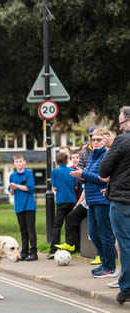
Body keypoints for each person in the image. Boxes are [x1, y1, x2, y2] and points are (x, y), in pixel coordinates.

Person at [71, 128, 117, 278]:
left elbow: (103, 178)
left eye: (99, 139)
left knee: (105, 234)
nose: (95, 142)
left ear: (105, 140)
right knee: (93, 233)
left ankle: (110, 267)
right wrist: (81, 176)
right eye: (93, 139)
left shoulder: (107, 155)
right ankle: (105, 263)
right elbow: (90, 177)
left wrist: (83, 174)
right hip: (91, 200)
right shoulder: (91, 155)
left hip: (102, 200)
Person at [99, 106, 130, 303]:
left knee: (125, 245)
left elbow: (103, 171)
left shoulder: (123, 140)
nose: (120, 128)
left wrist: (112, 147)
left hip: (123, 201)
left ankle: (126, 288)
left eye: (121, 124)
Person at [47, 152, 77, 259]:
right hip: (72, 199)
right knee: (70, 224)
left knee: (57, 226)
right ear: (67, 160)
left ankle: (53, 249)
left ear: (57, 161)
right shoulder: (72, 171)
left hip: (61, 201)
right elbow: (75, 187)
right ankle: (70, 246)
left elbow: (54, 187)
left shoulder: (54, 172)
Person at [9, 154, 38, 261]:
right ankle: (24, 251)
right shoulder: (12, 176)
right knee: (23, 231)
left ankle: (34, 252)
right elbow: (11, 192)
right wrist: (12, 188)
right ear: (14, 163)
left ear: (24, 162)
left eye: (20, 161)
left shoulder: (29, 173)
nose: (19, 164)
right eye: (17, 162)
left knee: (31, 230)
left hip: (29, 206)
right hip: (19, 207)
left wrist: (16, 186)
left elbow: (30, 188)